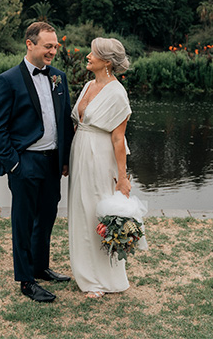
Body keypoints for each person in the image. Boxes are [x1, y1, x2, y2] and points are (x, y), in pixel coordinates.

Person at [0, 22, 74, 303]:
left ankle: (40, 267)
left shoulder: (59, 77)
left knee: (47, 217)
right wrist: (13, 163)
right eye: (48, 46)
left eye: (55, 47)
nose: (53, 51)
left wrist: (65, 159)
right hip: (24, 162)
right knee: (23, 222)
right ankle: (26, 281)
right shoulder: (8, 79)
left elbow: (64, 120)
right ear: (30, 44)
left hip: (52, 163)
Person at [68, 37, 132, 298]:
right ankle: (84, 273)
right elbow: (77, 121)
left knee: (96, 212)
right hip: (80, 153)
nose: (87, 56)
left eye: (92, 53)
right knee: (80, 211)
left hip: (99, 156)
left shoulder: (117, 93)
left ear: (106, 61)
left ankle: (102, 279)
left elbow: (118, 138)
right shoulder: (87, 85)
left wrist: (122, 177)